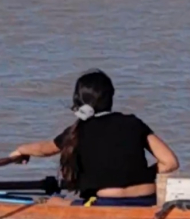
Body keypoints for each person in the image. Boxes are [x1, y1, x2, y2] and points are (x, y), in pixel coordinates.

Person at [11, 69, 179, 207]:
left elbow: (45, 149)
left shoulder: (76, 131)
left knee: (54, 201)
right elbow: (170, 162)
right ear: (111, 97)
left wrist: (21, 150)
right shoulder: (134, 123)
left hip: (108, 203)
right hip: (147, 200)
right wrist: (142, 174)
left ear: (78, 101)